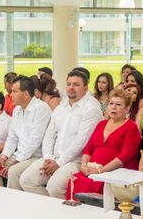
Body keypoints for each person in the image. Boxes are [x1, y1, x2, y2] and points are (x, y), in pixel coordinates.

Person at [20, 70, 103, 198]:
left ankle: (64, 213)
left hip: (76, 160)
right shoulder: (61, 107)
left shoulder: (91, 109)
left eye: (76, 84)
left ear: (85, 88)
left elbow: (81, 141)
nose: (71, 87)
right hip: (53, 157)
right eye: (69, 84)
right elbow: (49, 135)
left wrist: (59, 163)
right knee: (26, 180)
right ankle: (49, 210)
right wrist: (48, 158)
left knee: (54, 187)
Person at [65, 88, 141, 199]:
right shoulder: (101, 124)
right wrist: (83, 166)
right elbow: (88, 149)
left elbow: (125, 156)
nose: (113, 107)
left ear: (127, 109)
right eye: (111, 103)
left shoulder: (131, 127)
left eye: (118, 105)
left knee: (98, 183)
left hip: (115, 172)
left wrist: (101, 170)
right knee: (76, 178)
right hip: (92, 169)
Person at [0, 76, 51, 188]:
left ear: (26, 94)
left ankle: (14, 203)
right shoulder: (17, 110)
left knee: (13, 171)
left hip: (35, 156)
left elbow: (34, 141)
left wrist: (16, 161)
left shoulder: (41, 109)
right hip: (18, 154)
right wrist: (3, 156)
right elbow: (12, 138)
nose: (11, 95)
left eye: (14, 91)